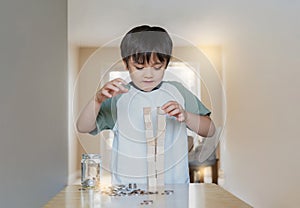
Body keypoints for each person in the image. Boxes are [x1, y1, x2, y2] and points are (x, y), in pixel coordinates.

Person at [76, 25, 215, 185]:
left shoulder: (178, 92)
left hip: (175, 188)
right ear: (126, 64)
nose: (149, 74)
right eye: (139, 67)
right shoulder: (118, 97)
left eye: (157, 67)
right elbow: (83, 127)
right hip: (127, 190)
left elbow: (210, 130)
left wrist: (187, 116)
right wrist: (97, 101)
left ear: (166, 64)